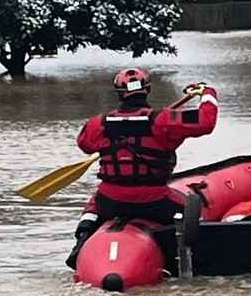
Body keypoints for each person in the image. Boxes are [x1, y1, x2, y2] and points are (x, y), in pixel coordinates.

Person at [65, 68, 218, 269]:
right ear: (148, 89)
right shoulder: (163, 120)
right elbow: (206, 122)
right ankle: (196, 257)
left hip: (111, 201)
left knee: (94, 202)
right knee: (193, 209)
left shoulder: (97, 124)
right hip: (155, 201)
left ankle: (82, 238)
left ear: (119, 92)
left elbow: (84, 144)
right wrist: (208, 93)